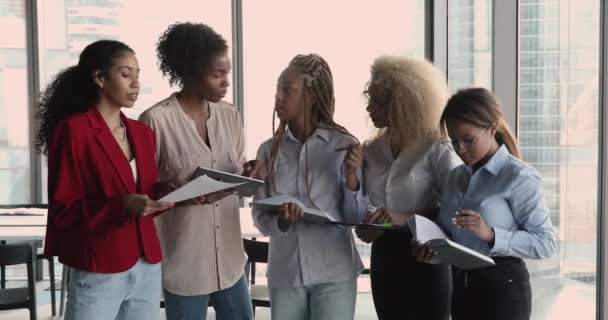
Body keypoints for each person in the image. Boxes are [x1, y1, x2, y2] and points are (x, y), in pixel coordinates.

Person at [37, 40, 174, 320]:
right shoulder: (73, 132)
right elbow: (64, 209)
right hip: (99, 265)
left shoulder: (142, 133)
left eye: (138, 74)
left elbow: (142, 190)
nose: (135, 83)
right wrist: (120, 206)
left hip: (146, 263)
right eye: (126, 74)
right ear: (99, 77)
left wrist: (171, 190)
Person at [138, 22, 261, 320]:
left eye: (227, 73)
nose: (226, 82)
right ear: (190, 72)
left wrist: (249, 171)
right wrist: (174, 194)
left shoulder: (231, 115)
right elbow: (143, 194)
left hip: (230, 262)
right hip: (185, 262)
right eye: (217, 74)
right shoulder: (155, 121)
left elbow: (236, 171)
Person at [415, 87, 556, 320]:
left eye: (469, 140)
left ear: (492, 128)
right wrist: (432, 250)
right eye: (454, 141)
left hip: (504, 290)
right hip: (462, 287)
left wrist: (491, 234)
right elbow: (451, 239)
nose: (460, 149)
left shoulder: (519, 177)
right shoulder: (455, 177)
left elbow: (545, 243)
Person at [343, 56, 460, 320]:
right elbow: (360, 208)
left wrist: (404, 218)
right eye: (368, 99)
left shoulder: (436, 147)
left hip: (426, 256)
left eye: (378, 102)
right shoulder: (371, 150)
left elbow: (459, 207)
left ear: (402, 106)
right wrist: (368, 226)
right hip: (385, 259)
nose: (369, 108)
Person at [252, 53, 364, 320]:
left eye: (287, 90)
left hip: (334, 271)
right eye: (277, 89)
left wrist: (351, 179)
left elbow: (356, 219)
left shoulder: (343, 145)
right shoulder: (268, 151)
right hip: (285, 272)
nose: (278, 97)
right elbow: (259, 217)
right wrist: (281, 221)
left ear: (311, 95)